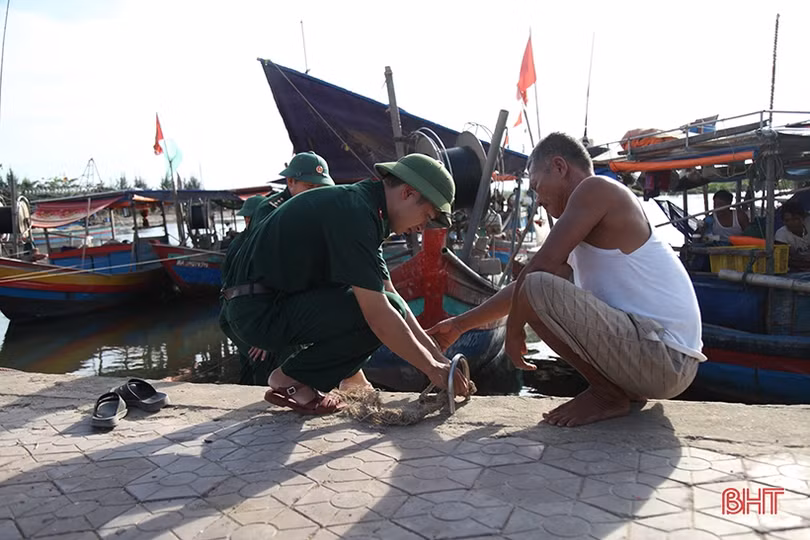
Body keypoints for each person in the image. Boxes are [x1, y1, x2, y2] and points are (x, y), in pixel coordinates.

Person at [429, 133, 705, 427]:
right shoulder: (584, 219)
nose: (538, 200)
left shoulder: (595, 189)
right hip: (657, 361)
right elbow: (522, 289)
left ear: (560, 167)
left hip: (666, 359)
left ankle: (607, 394)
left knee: (535, 285)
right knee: (535, 288)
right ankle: (617, 390)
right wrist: (459, 325)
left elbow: (536, 277)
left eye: (537, 187)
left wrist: (513, 331)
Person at [222, 153, 468, 414]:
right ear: (407, 193)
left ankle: (298, 378)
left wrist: (440, 361)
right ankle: (292, 380)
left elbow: (391, 295)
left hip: (265, 304)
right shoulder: (356, 213)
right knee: (376, 316)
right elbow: (379, 316)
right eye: (426, 215)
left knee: (389, 306)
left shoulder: (365, 209)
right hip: (258, 311)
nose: (422, 227)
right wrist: (431, 369)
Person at [220, 151, 336, 387]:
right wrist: (263, 331)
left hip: (282, 300)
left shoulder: (312, 210)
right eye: (310, 185)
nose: (316, 192)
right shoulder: (271, 211)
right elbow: (270, 271)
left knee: (286, 355)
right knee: (268, 360)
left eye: (320, 187)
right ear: (290, 182)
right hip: (259, 306)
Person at [775, 200, 810, 270]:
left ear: (802, 218)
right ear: (783, 222)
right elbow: (783, 260)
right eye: (787, 220)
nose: (791, 223)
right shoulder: (781, 235)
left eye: (795, 219)